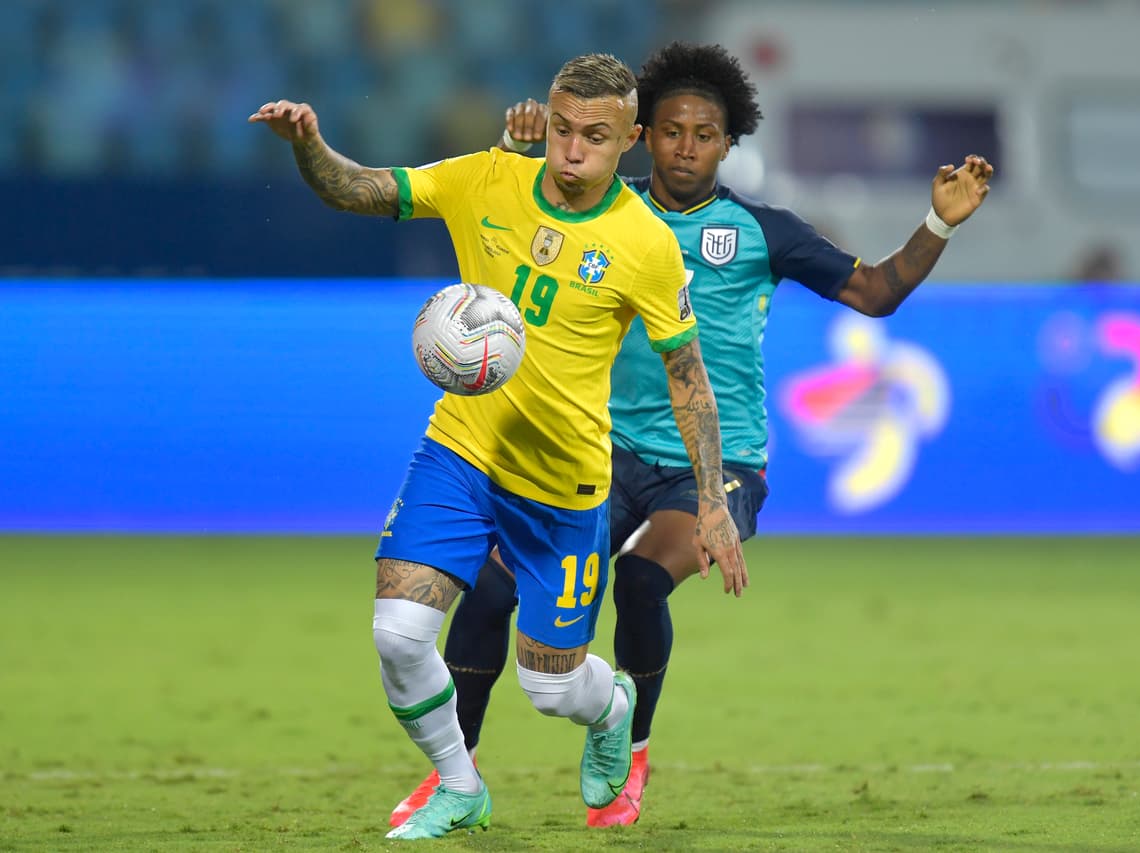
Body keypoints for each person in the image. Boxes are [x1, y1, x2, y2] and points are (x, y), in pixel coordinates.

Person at [388, 42, 994, 830]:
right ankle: (454, 776)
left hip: (719, 462)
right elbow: (520, 206)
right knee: (492, 588)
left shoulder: (761, 231)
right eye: (670, 130)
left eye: (703, 133)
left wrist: (935, 223)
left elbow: (874, 291)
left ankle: (628, 751)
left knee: (641, 579)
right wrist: (517, 148)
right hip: (605, 456)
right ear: (641, 136)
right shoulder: (607, 212)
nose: (685, 146)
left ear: (728, 142)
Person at [249, 52, 748, 841]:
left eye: (594, 135)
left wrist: (714, 502)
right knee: (398, 635)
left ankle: (612, 707)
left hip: (563, 486)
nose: (571, 149)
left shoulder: (646, 244)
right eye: (560, 129)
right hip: (460, 452)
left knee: (552, 688)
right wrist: (308, 143)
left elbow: (690, 378)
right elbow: (362, 187)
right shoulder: (487, 179)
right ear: (544, 122)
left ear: (630, 140)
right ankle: (460, 783)